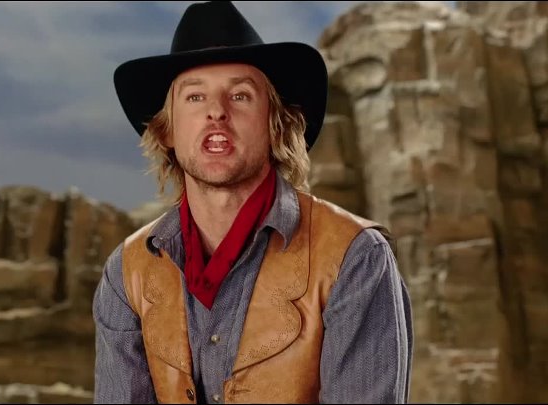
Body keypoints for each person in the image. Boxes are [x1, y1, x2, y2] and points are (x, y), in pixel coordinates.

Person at [93, 1, 413, 403]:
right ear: (167, 130)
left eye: (240, 95)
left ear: (276, 124)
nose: (216, 112)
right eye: (195, 97)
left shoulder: (355, 258)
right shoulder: (127, 273)